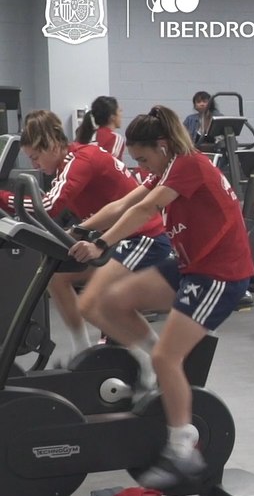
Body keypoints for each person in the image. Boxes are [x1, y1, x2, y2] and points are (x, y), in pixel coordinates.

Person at [67, 105, 254, 489]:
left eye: (145, 157)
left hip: (219, 273)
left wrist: (101, 242)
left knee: (169, 356)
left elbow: (149, 208)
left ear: (163, 145)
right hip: (189, 266)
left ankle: (183, 449)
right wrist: (78, 230)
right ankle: (153, 366)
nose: (143, 166)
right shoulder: (167, 168)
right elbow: (125, 204)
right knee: (110, 302)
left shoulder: (188, 163)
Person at [1, 110, 171, 365]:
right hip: (113, 239)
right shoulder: (68, 163)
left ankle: (152, 363)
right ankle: (82, 352)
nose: (35, 165)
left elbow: (49, 205)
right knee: (56, 277)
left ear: (50, 144)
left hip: (142, 238)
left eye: (35, 157)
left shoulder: (81, 159)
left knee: (94, 303)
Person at [74, 96, 125, 161]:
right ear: (112, 117)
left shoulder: (88, 134)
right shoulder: (115, 138)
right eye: (119, 111)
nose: (121, 115)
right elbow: (111, 165)